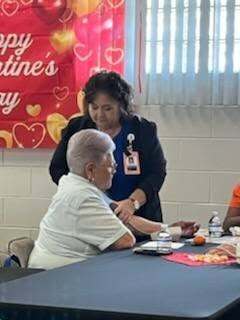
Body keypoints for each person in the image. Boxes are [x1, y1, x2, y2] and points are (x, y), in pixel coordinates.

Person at [29, 130, 199, 270]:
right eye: (111, 165)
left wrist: (171, 229)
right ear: (90, 169)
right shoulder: (82, 197)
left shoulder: (75, 182)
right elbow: (125, 240)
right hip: (57, 277)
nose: (114, 170)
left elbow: (125, 219)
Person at [49, 71, 167, 224]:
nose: (100, 115)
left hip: (138, 214)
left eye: (107, 108)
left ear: (121, 106)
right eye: (94, 107)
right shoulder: (77, 128)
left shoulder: (142, 129)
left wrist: (132, 203)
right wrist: (86, 196)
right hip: (90, 213)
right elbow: (57, 169)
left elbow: (157, 172)